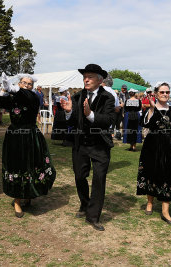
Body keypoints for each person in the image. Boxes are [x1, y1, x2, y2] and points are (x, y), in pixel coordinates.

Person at [0, 73, 56, 218]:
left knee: (31, 165)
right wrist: (3, 90)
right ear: (19, 83)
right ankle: (17, 200)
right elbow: (1, 103)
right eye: (24, 83)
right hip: (14, 136)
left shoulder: (34, 97)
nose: (27, 86)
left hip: (30, 135)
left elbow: (26, 96)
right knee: (16, 165)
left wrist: (13, 89)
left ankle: (29, 193)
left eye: (29, 84)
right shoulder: (15, 97)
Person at [60, 64, 115, 231]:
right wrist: (69, 112)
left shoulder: (107, 98)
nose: (86, 79)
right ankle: (84, 203)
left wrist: (90, 114)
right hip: (80, 144)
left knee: (99, 179)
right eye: (85, 76)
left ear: (99, 80)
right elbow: (70, 121)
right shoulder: (77, 96)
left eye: (90, 76)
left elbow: (109, 120)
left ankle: (93, 216)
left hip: (99, 145)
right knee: (79, 176)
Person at [136, 82, 171, 226]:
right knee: (151, 171)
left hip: (168, 146)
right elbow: (145, 124)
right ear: (156, 94)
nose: (165, 94)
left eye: (167, 92)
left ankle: (165, 211)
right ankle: (149, 203)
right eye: (162, 92)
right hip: (152, 144)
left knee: (168, 174)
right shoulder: (152, 108)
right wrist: (151, 108)